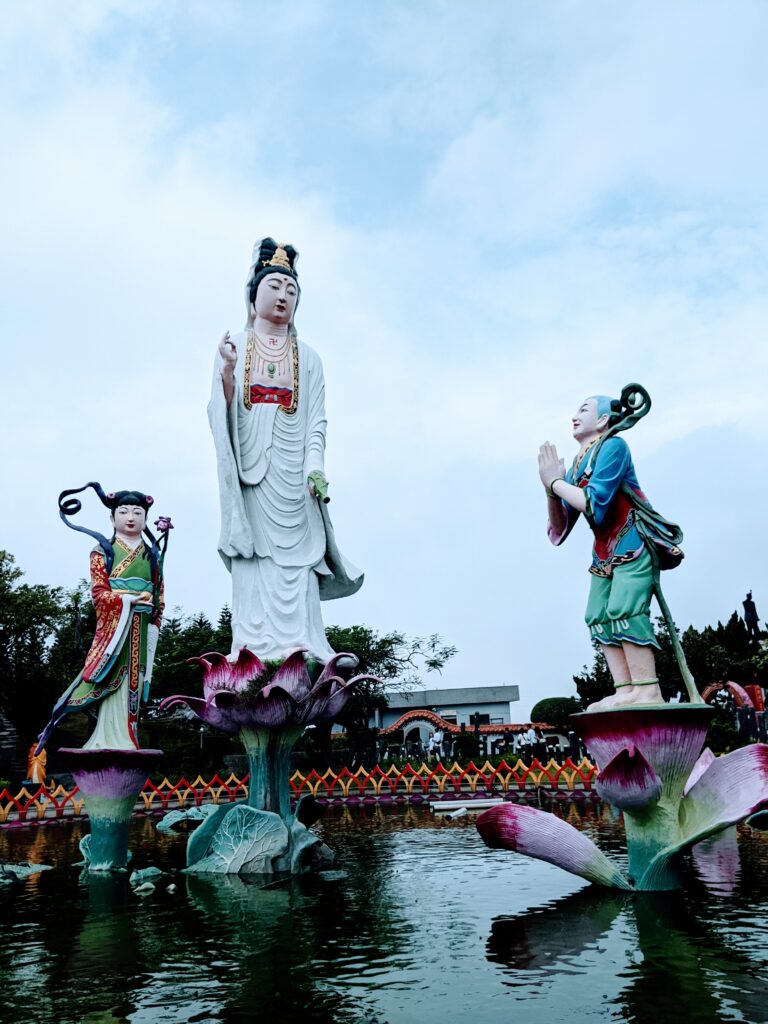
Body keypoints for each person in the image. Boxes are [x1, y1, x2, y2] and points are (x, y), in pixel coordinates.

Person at [209, 238, 363, 665]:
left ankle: (305, 644)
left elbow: (317, 421)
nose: (282, 296)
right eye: (274, 286)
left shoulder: (309, 358)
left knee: (299, 563)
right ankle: (251, 649)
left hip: (295, 477)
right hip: (251, 474)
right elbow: (220, 411)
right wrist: (227, 372)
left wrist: (315, 468)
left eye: (291, 290)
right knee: (254, 559)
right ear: (253, 295)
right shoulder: (236, 347)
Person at [538, 394, 683, 711]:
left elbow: (594, 504)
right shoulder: (578, 463)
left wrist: (556, 483)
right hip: (603, 551)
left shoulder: (613, 447)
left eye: (584, 410)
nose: (574, 416)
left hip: (632, 540)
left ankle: (647, 689)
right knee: (598, 614)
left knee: (625, 609)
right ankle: (625, 689)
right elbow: (560, 527)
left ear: (603, 420)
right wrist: (551, 488)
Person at [36, 484, 170, 753]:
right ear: (112, 518)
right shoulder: (102, 551)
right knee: (111, 678)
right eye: (123, 512)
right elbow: (99, 593)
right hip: (116, 626)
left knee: (134, 680)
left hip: (141, 626)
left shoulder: (152, 554)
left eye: (137, 513)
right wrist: (126, 600)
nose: (130, 518)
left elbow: (159, 592)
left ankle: (129, 735)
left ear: (145, 519)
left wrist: (155, 614)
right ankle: (107, 736)